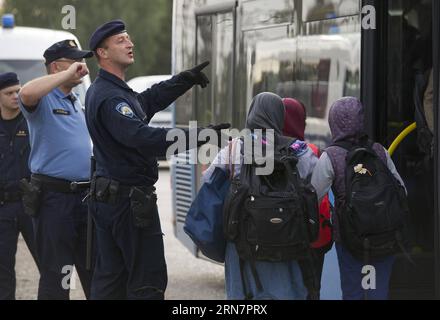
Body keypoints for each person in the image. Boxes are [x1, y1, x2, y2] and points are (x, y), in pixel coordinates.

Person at [85, 19, 228, 300]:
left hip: (113, 199)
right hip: (127, 204)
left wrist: (182, 81)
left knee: (111, 282)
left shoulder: (112, 91)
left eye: (128, 37)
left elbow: (145, 103)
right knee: (146, 283)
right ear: (102, 53)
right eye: (121, 40)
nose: (130, 43)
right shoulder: (110, 97)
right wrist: (201, 136)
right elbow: (144, 138)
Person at [203, 92, 318, 300]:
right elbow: (315, 187)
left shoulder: (235, 147)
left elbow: (208, 180)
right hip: (287, 238)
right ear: (279, 116)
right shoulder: (299, 150)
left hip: (242, 240)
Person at [18, 40, 94, 300]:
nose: (82, 66)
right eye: (75, 61)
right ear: (57, 67)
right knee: (57, 276)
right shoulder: (43, 99)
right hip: (55, 200)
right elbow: (25, 93)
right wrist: (65, 75)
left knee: (95, 272)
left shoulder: (75, 100)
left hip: (85, 199)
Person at [311, 97, 406, 300]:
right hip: (384, 235)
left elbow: (314, 196)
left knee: (353, 290)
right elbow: (401, 190)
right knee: (378, 291)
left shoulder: (331, 156)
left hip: (349, 238)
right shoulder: (379, 151)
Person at [282, 98, 333, 300]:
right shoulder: (312, 152)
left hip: (278, 233)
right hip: (312, 237)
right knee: (311, 289)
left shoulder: (265, 150)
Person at [0, 72, 39, 300]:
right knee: (3, 270)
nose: (16, 96)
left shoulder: (33, 121)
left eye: (18, 91)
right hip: (3, 207)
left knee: (50, 262)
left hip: (31, 204)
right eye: (9, 93)